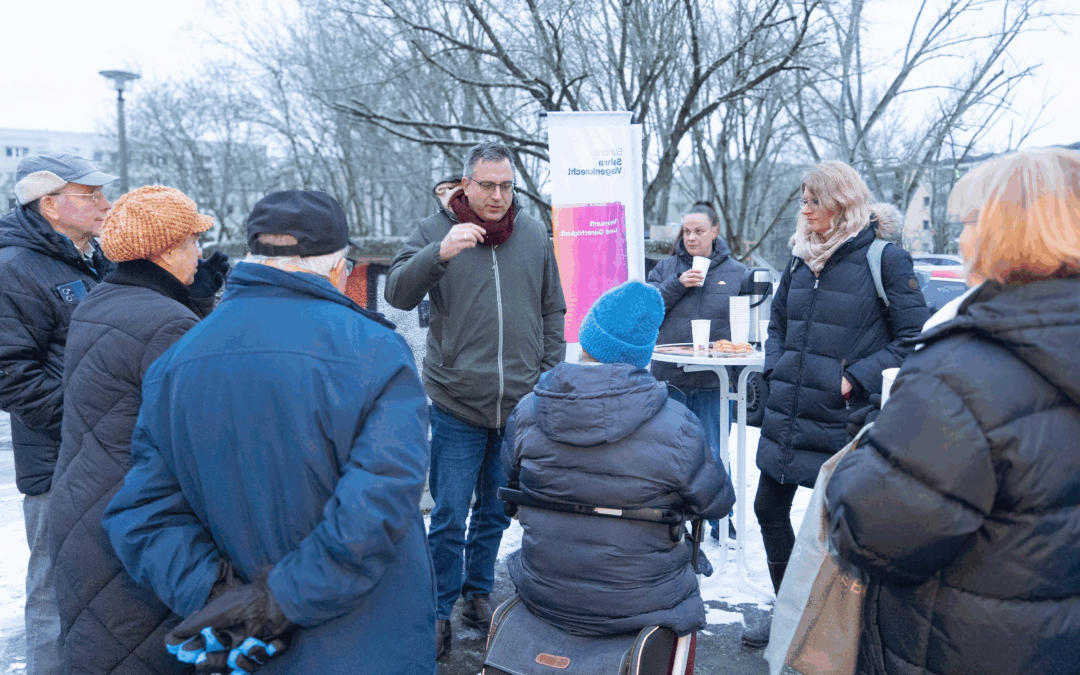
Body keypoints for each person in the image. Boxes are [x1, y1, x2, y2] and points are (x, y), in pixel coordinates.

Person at [102, 190, 436, 675]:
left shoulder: (177, 361)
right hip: (368, 640)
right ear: (338, 268)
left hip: (248, 649)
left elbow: (143, 514)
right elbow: (378, 507)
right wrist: (276, 601)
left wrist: (220, 597)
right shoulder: (376, 350)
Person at [826, 148, 1080, 675]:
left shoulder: (961, 372)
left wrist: (871, 445)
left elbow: (872, 535)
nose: (961, 240)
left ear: (1006, 231)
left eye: (968, 223)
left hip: (959, 647)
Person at [385, 141, 566, 658]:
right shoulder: (434, 231)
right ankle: (438, 609)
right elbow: (397, 292)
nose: (497, 195)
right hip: (457, 402)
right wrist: (439, 253)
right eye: (487, 185)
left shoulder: (532, 233)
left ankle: (478, 593)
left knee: (494, 511)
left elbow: (552, 308)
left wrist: (546, 375)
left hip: (519, 404)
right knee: (447, 515)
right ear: (465, 184)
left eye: (506, 185)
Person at [745, 160, 930, 648]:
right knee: (768, 509)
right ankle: (789, 615)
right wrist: (776, 366)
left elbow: (914, 338)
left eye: (815, 201)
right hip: (789, 412)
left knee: (838, 532)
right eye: (804, 200)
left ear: (842, 204)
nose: (805, 210)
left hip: (844, 419)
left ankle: (833, 633)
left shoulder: (885, 259)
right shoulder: (799, 258)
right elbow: (778, 324)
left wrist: (851, 379)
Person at [48, 186, 229, 675]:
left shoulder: (100, 301)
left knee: (102, 651)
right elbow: (196, 438)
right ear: (165, 251)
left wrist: (194, 303)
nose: (199, 254)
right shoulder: (167, 324)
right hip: (137, 523)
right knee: (140, 654)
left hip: (85, 506)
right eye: (192, 242)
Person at [504, 280, 735, 637]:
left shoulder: (527, 411)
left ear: (586, 341)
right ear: (643, 354)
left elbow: (510, 491)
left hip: (544, 591)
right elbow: (716, 504)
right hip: (645, 604)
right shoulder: (678, 425)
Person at [0, 152, 117, 675]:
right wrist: (81, 426)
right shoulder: (13, 268)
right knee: (54, 590)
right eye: (90, 194)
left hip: (106, 452)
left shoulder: (93, 259)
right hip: (57, 463)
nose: (105, 204)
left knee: (108, 589)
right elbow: (9, 373)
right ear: (49, 204)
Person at [647, 200, 747, 541]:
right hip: (669, 380)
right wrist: (677, 283)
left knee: (713, 454)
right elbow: (648, 311)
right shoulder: (665, 268)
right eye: (687, 231)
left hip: (712, 381)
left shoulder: (737, 273)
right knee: (669, 454)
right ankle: (671, 519)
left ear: (714, 232)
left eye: (699, 231)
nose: (691, 237)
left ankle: (719, 520)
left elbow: (745, 327)